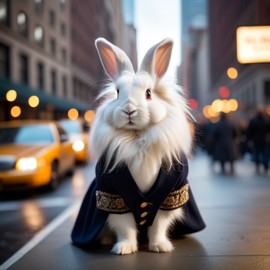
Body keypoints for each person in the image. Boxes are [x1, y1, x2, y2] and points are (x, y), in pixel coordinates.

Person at [246, 107, 269, 174]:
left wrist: (249, 139)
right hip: (264, 140)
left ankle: (258, 165)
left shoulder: (254, 120)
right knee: (264, 153)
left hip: (257, 140)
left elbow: (249, 131)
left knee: (257, 153)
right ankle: (265, 165)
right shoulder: (266, 120)